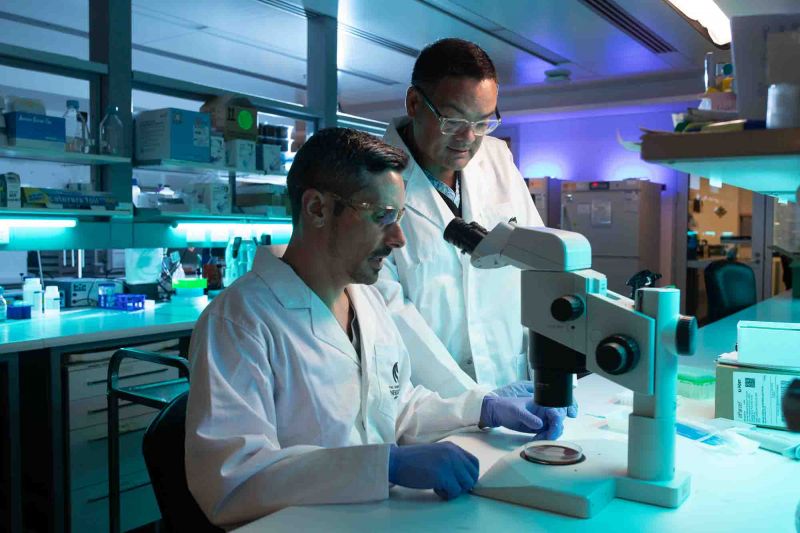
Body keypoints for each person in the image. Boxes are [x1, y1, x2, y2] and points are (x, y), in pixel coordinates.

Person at [185, 128, 570, 529]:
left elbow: (396, 408)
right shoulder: (240, 321)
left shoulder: (366, 301)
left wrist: (483, 407)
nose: (399, 238)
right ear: (316, 208)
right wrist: (383, 466)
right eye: (382, 216)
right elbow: (231, 478)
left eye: (399, 216)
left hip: (379, 517)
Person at [377, 38, 544, 396]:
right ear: (414, 103)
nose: (468, 138)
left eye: (483, 122)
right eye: (453, 120)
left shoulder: (498, 159)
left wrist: (548, 375)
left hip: (510, 379)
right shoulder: (370, 182)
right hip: (431, 400)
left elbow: (538, 265)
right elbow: (388, 311)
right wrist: (473, 403)